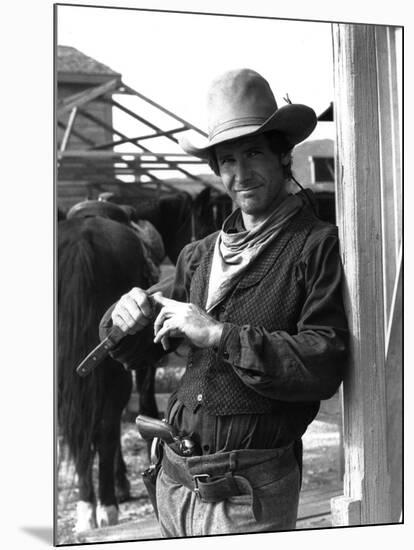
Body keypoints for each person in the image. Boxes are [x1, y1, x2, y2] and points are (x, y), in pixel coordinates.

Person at [99, 68, 348, 537]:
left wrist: (217, 334)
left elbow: (323, 362)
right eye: (227, 159)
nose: (240, 173)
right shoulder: (198, 255)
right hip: (172, 482)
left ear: (282, 155)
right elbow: (149, 344)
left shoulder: (316, 246)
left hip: (247, 493)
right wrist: (125, 317)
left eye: (253, 152)